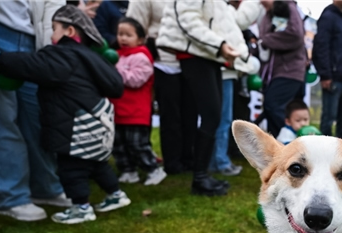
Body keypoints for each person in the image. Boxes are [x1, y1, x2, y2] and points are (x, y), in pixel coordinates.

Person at [0, 5, 131, 224]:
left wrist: (1, 59)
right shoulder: (92, 57)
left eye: (54, 28)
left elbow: (31, 65)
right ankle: (116, 194)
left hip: (74, 128)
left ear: (69, 31)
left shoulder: (60, 56)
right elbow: (115, 85)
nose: (51, 35)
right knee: (98, 164)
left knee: (71, 169)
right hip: (98, 125)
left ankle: (81, 207)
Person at [157, 0, 260, 196]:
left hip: (208, 54)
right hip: (196, 54)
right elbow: (188, 18)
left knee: (211, 115)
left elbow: (228, 20)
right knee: (211, 115)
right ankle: (200, 177)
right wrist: (220, 44)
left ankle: (201, 175)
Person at [0, 0, 72, 222]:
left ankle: (45, 187)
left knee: (37, 117)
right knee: (4, 121)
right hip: (0, 33)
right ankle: (10, 196)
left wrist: (53, 45)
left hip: (33, 38)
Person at [126, 0, 197, 175]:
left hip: (190, 59)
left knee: (190, 113)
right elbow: (135, 26)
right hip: (162, 61)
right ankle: (172, 162)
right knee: (170, 115)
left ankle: (188, 158)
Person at [110, 17, 166, 185]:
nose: (123, 38)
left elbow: (135, 80)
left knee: (137, 144)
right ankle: (128, 170)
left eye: (128, 35)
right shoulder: (115, 55)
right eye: (120, 34)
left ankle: (153, 169)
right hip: (117, 110)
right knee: (118, 144)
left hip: (136, 111)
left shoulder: (142, 57)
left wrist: (114, 70)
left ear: (140, 39)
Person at [258, 0, 307, 138]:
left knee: (272, 105)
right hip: (274, 72)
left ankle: (289, 142)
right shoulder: (267, 13)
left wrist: (266, 40)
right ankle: (277, 145)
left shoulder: (289, 6)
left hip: (290, 71)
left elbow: (296, 35)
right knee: (276, 109)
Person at [312, 0, 342, 140]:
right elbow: (321, 46)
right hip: (333, 78)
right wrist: (325, 75)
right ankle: (323, 149)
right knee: (329, 118)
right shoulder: (328, 16)